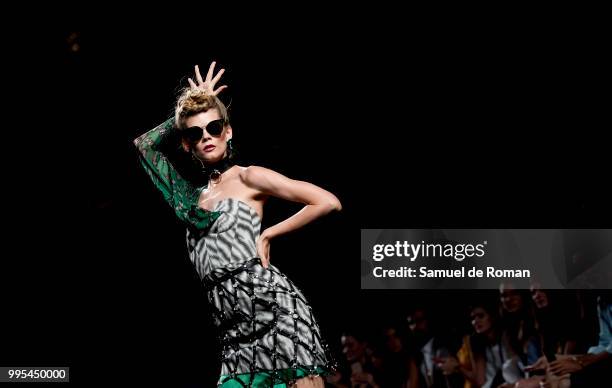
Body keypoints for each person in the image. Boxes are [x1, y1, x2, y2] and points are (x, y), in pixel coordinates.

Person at [133, 62, 342, 387]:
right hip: (234, 333)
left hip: (277, 314)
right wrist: (191, 109)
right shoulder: (190, 199)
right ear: (186, 143)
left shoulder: (249, 176)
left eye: (215, 127)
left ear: (228, 131)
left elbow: (327, 201)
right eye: (195, 133)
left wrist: (271, 232)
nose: (207, 136)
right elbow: (144, 146)